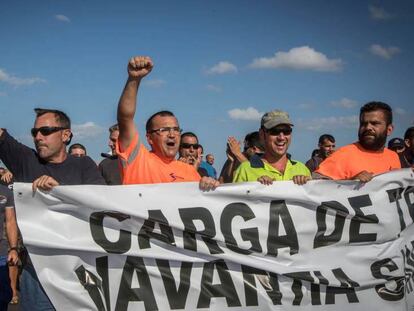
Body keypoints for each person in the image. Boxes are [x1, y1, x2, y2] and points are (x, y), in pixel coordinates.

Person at [0, 108, 105, 310]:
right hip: (38, 272)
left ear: (66, 135)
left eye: (46, 131)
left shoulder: (84, 165)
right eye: (34, 132)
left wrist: (59, 193)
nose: (38, 137)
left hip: (82, 269)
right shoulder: (26, 160)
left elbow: (99, 206)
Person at [116, 56, 218, 190]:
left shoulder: (190, 172)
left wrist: (209, 186)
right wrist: (134, 79)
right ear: (149, 138)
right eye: (164, 130)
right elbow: (125, 118)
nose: (172, 134)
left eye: (176, 129)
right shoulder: (137, 159)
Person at [315, 101, 401, 182]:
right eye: (363, 124)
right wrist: (351, 183)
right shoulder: (343, 154)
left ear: (389, 129)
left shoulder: (394, 157)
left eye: (374, 123)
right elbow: (315, 185)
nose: (368, 127)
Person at [233, 110, 311, 185]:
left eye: (286, 131)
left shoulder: (302, 169)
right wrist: (257, 188)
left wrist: (308, 185)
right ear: (261, 134)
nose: (281, 137)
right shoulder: (245, 169)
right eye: (275, 131)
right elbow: (236, 198)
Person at [0, 185, 18, 310]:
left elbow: (10, 220)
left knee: (3, 295)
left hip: (1, 251)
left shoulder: (5, 191)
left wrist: (13, 248)